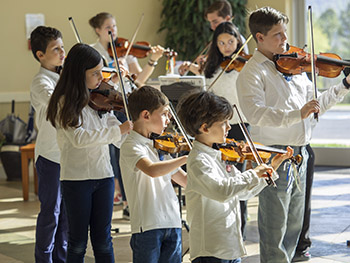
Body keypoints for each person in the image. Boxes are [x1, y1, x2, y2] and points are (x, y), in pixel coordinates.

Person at [236, 6, 350, 263]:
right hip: (274, 152)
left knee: (294, 224)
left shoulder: (295, 68)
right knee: (275, 222)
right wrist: (296, 114)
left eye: (285, 33)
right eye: (278, 35)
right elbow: (255, 114)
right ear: (260, 37)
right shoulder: (252, 72)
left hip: (301, 152)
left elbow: (315, 104)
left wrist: (343, 86)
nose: (285, 40)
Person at [176, 90, 293, 263]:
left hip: (230, 247)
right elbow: (221, 191)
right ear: (204, 127)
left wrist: (270, 169)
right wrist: (253, 173)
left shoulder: (219, 156)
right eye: (224, 122)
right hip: (211, 250)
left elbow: (243, 193)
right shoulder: (198, 161)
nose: (230, 127)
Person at [46, 43, 133, 263]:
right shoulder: (64, 103)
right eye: (94, 73)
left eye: (101, 72)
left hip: (103, 176)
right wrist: (118, 130)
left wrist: (135, 134)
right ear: (78, 73)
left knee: (103, 240)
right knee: (77, 242)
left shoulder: (100, 100)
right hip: (76, 180)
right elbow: (79, 138)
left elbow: (117, 137)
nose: (100, 78)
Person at [119, 86, 187, 263]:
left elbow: (185, 180)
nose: (169, 119)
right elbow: (152, 170)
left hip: (172, 221)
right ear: (146, 115)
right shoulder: (131, 145)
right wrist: (186, 157)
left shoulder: (158, 145)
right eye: (164, 113)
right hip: (148, 225)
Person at [30, 25, 68, 263]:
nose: (62, 53)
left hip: (69, 156)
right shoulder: (40, 82)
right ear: (40, 55)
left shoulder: (64, 76)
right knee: (50, 216)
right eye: (56, 49)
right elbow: (57, 103)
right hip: (50, 157)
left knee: (66, 218)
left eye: (63, 47)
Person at [89, 12, 164, 86]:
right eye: (108, 27)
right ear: (98, 30)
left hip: (127, 94)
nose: (113, 30)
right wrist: (111, 66)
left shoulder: (125, 49)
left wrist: (153, 60)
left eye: (114, 26)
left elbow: (139, 79)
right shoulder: (91, 51)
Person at [178, 0, 248, 75]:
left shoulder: (239, 40)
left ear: (227, 19)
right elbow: (211, 74)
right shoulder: (216, 39)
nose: (212, 27)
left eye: (215, 22)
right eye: (210, 22)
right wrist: (201, 65)